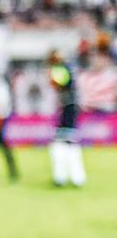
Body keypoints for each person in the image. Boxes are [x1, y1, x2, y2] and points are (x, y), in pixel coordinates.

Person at [48, 49, 86, 187]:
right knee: (66, 143)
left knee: (64, 143)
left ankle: (66, 177)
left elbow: (57, 84)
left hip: (68, 109)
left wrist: (52, 78)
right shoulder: (67, 67)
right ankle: (70, 177)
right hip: (68, 107)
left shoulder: (61, 69)